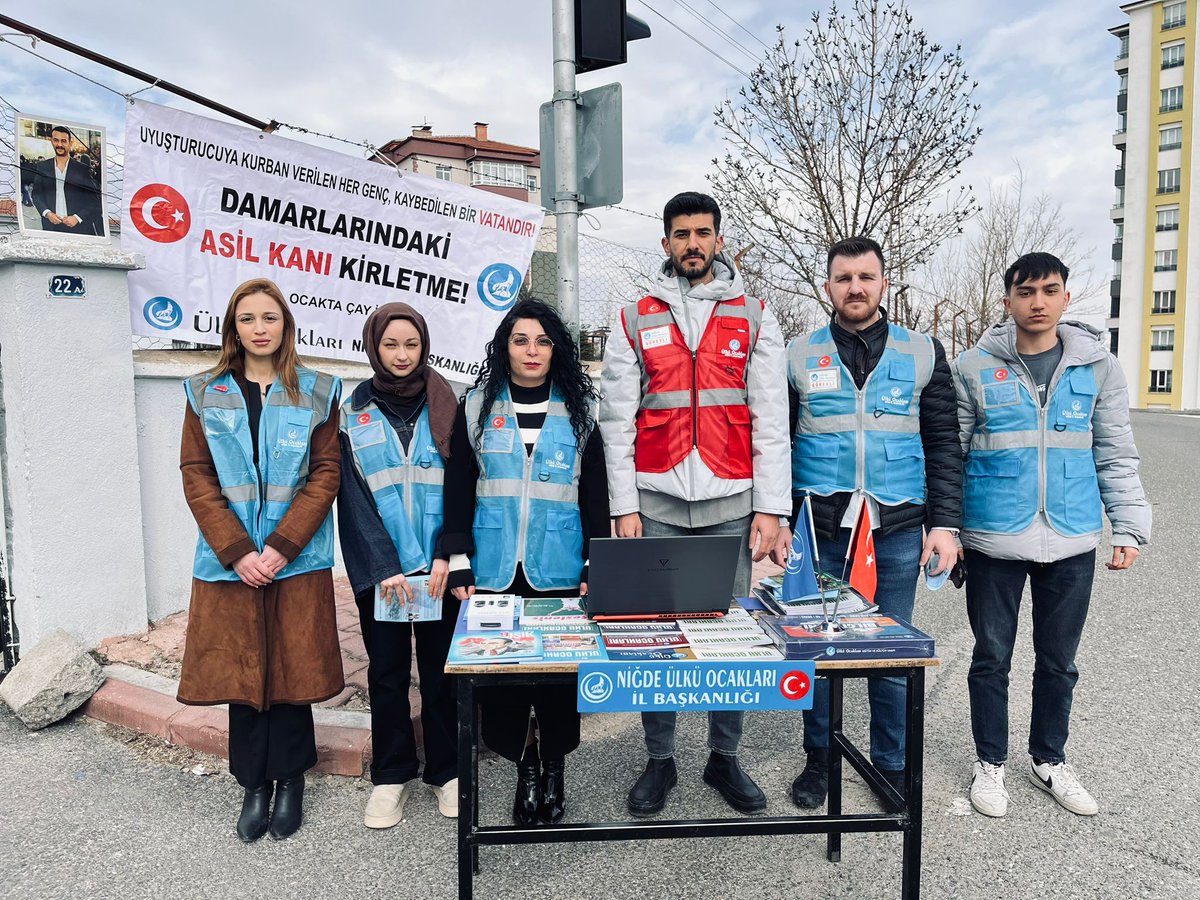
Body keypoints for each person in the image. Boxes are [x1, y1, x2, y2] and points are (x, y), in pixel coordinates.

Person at [599, 191, 791, 817]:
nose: (692, 245)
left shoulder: (755, 315)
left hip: (731, 497)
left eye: (702, 233)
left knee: (730, 635)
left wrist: (773, 508)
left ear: (719, 240)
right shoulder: (633, 318)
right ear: (665, 244)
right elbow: (616, 418)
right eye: (681, 234)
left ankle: (724, 757)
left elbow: (771, 420)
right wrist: (623, 506)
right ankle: (660, 760)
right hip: (654, 499)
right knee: (656, 638)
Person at [953, 252, 1151, 818]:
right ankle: (989, 762)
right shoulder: (973, 366)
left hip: (1071, 539)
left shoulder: (1098, 369)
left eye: (1049, 290)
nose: (1037, 302)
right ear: (1008, 299)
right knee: (991, 658)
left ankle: (1048, 759)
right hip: (993, 539)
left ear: (1067, 297)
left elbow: (1115, 453)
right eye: (1026, 291)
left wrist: (1129, 528)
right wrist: (949, 531)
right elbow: (956, 453)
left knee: (1058, 660)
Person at [785, 235, 961, 808]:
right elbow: (779, 444)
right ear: (828, 285)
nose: (855, 287)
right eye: (843, 278)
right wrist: (781, 522)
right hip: (821, 528)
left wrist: (946, 525)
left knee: (891, 653)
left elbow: (943, 444)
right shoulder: (796, 355)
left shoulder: (923, 353)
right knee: (816, 651)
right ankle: (820, 759)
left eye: (866, 277)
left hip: (900, 527)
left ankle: (888, 765)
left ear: (884, 282)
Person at [177, 278, 343, 842]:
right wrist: (240, 551)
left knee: (293, 672)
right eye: (248, 319)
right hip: (230, 563)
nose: (260, 328)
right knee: (243, 672)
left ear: (286, 326)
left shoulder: (318, 390)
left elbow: (325, 475)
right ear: (234, 328)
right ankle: (254, 784)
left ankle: (291, 779)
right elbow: (197, 477)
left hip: (295, 560)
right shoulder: (204, 391)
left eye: (270, 317)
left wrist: (280, 547)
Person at [443, 298, 608, 827]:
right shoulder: (476, 407)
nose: (532, 351)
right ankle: (524, 769)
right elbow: (459, 489)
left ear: (555, 347)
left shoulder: (582, 409)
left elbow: (595, 496)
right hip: (494, 567)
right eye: (520, 340)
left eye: (542, 340)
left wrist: (593, 563)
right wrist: (459, 556)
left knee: (558, 675)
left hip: (557, 564)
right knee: (508, 676)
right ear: (505, 348)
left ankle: (553, 765)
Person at [336, 302, 460, 828]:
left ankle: (448, 772)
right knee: (387, 675)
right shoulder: (351, 409)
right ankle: (391, 776)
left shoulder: (449, 403)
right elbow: (351, 493)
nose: (402, 354)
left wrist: (448, 557)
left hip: (437, 568)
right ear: (374, 347)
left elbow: (462, 486)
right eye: (391, 344)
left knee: (440, 674)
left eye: (411, 344)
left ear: (424, 346)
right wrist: (384, 565)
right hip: (383, 570)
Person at [24, 125, 103, 235]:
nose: (59, 145)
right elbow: (37, 195)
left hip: (79, 229)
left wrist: (77, 217)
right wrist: (47, 213)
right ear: (51, 141)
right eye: (56, 140)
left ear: (70, 143)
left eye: (63, 141)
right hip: (51, 227)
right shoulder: (43, 166)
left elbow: (95, 201)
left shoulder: (82, 169)